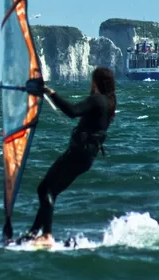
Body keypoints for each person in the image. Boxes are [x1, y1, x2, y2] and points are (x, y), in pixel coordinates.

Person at [17, 66, 116, 245]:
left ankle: (46, 235)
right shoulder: (107, 103)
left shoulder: (97, 100)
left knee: (46, 189)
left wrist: (51, 93)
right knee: (48, 190)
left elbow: (73, 111)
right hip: (85, 156)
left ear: (96, 82)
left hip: (79, 154)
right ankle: (34, 233)